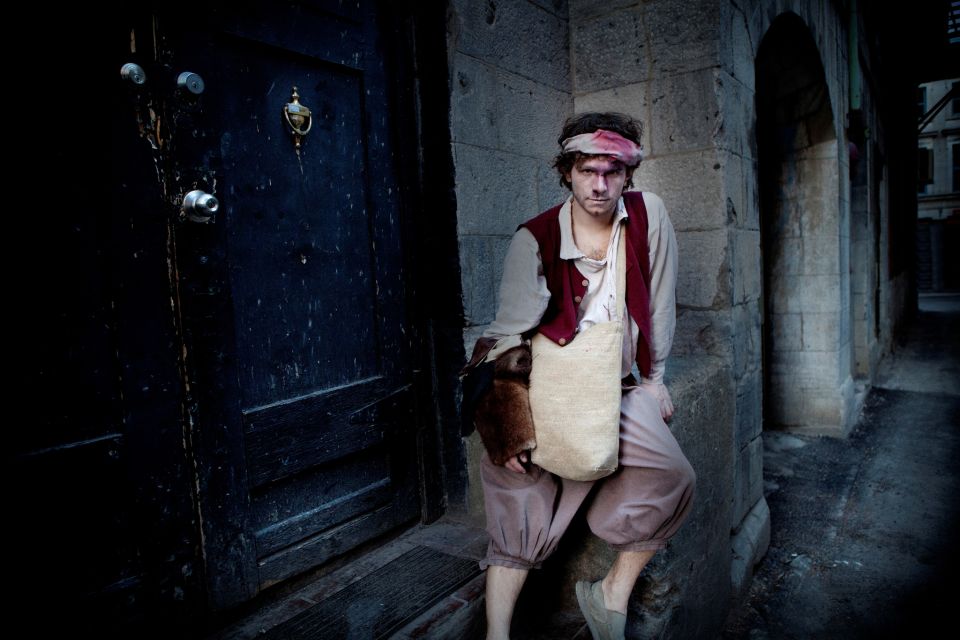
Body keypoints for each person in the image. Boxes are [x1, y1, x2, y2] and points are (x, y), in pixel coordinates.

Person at [461, 112, 696, 640]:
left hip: (615, 388)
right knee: (517, 490)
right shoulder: (534, 239)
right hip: (548, 387)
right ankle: (497, 633)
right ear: (566, 171)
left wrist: (656, 378)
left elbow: (660, 305)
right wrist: (508, 425)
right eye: (587, 170)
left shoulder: (648, 216)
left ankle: (611, 590)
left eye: (612, 172)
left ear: (628, 174)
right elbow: (504, 336)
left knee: (674, 476)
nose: (599, 185)